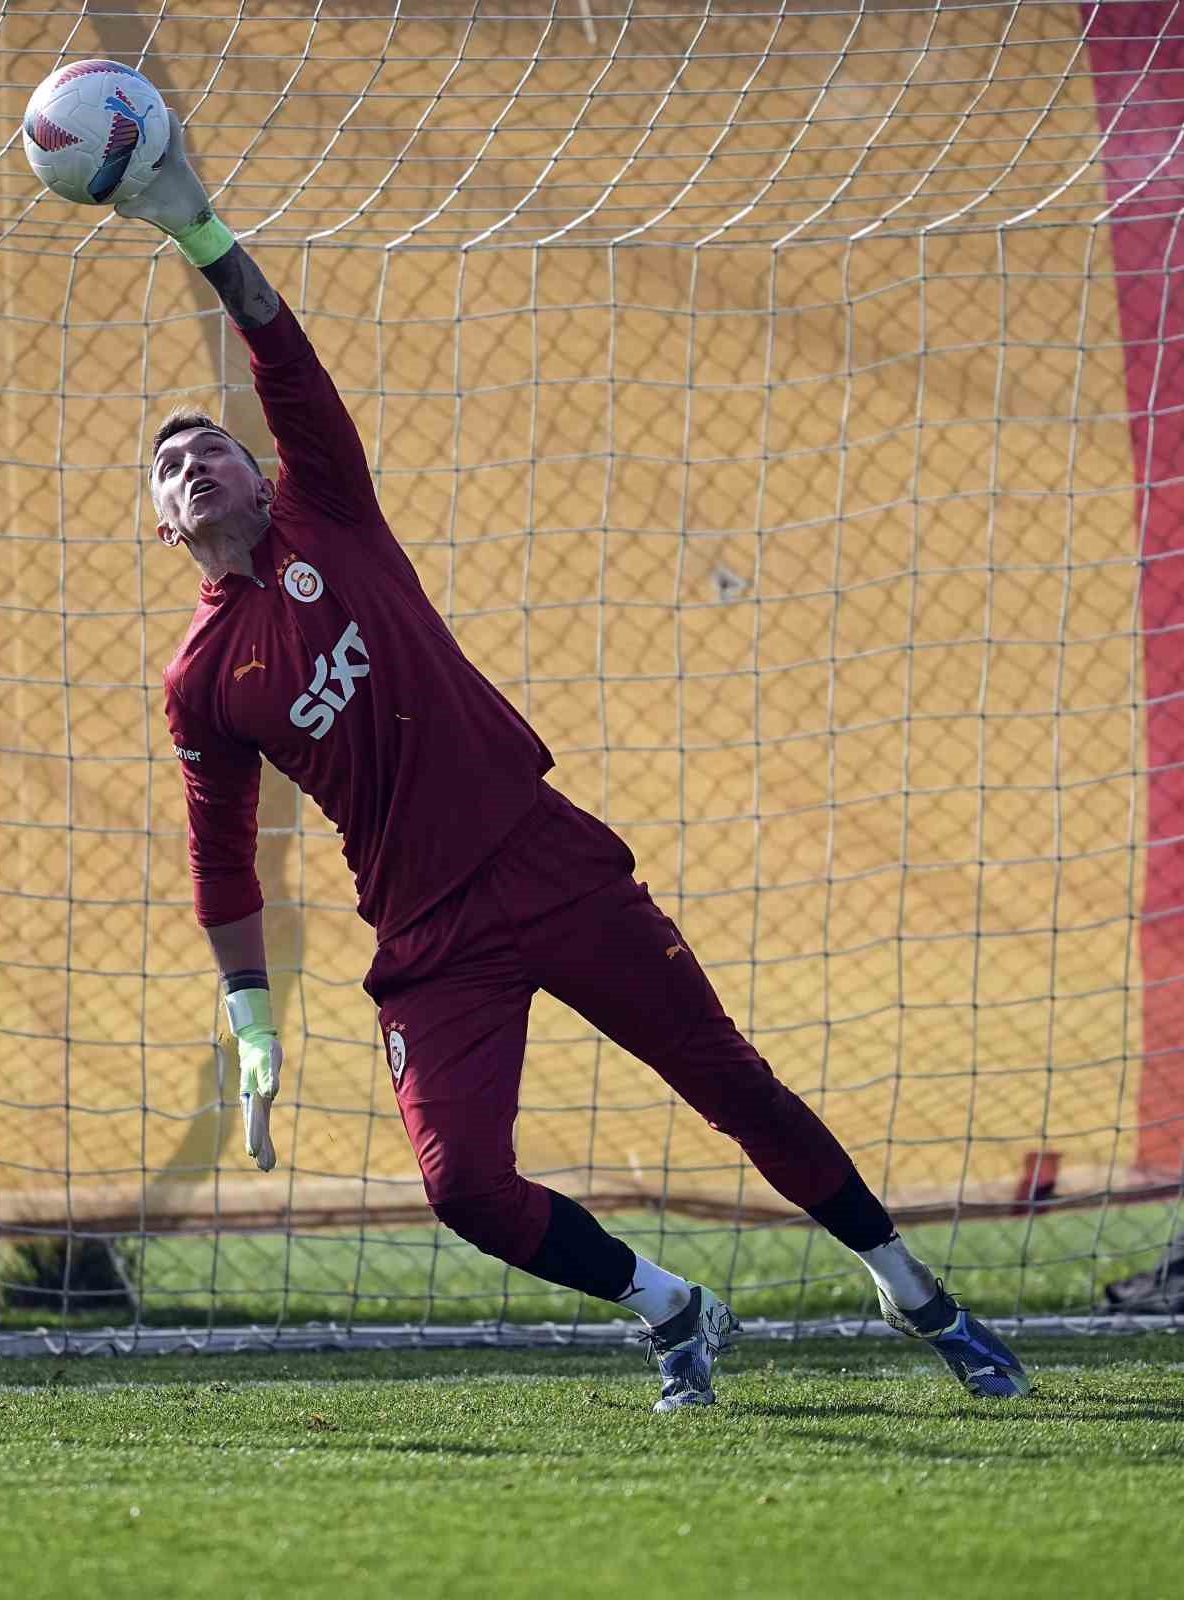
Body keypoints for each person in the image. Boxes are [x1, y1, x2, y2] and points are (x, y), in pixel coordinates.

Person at [118, 115, 1031, 1408]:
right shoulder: (200, 679)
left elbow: (277, 348)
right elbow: (219, 856)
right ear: (162, 529)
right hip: (430, 937)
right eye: (165, 467)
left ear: (261, 474)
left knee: (728, 1082)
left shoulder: (332, 511)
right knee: (461, 1191)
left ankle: (909, 1285)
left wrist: (197, 228)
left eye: (206, 445)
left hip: (546, 862)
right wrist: (250, 1016)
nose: (190, 462)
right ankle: (670, 1308)